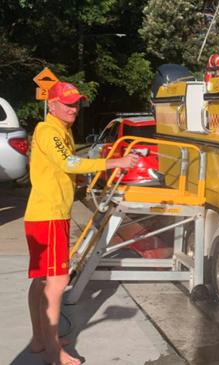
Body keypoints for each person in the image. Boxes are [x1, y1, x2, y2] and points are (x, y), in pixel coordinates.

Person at [23, 81, 139, 365]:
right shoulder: (48, 131)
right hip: (48, 215)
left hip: (49, 214)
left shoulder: (62, 131)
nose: (73, 108)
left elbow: (64, 168)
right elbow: (70, 163)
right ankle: (54, 354)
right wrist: (114, 164)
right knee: (57, 282)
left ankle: (41, 340)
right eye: (67, 103)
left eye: (76, 103)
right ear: (52, 105)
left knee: (41, 282)